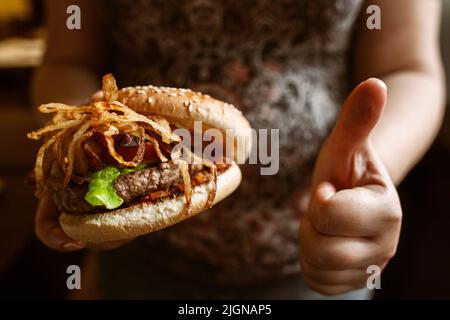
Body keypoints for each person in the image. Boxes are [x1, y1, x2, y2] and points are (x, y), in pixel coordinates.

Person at [32, 0, 445, 299]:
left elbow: (408, 66)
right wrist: (78, 145)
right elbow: (68, 58)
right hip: (137, 268)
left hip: (317, 253)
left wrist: (371, 165)